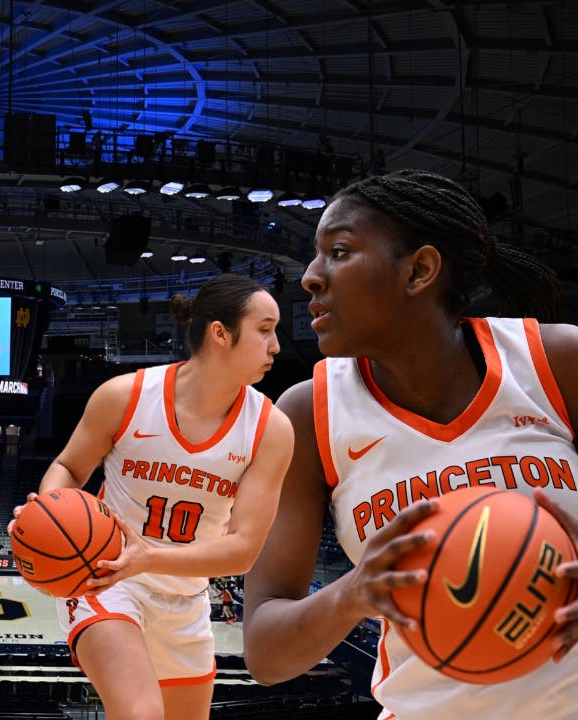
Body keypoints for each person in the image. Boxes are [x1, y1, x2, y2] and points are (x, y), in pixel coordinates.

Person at [241, 168, 578, 719]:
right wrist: (352, 592)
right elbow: (265, 653)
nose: (309, 277)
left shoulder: (555, 363)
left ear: (419, 270)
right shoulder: (307, 414)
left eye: (339, 251)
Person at [11, 273, 294, 720]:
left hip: (185, 601)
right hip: (108, 580)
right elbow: (68, 468)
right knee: (140, 713)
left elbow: (243, 551)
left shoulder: (271, 429)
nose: (276, 345)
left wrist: (149, 559)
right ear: (220, 333)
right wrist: (49, 511)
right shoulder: (125, 396)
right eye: (264, 330)